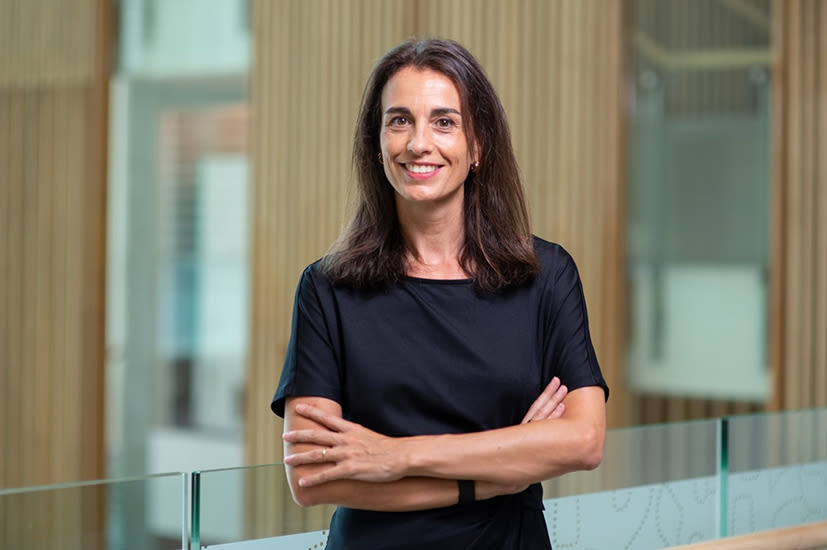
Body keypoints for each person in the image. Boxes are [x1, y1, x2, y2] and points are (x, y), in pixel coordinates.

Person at [271, 38, 609, 550]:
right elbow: (315, 477)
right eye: (400, 120)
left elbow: (583, 441)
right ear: (377, 142)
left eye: (444, 121)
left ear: (479, 146)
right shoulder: (326, 289)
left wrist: (393, 457)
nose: (418, 143)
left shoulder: (545, 276)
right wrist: (496, 472)